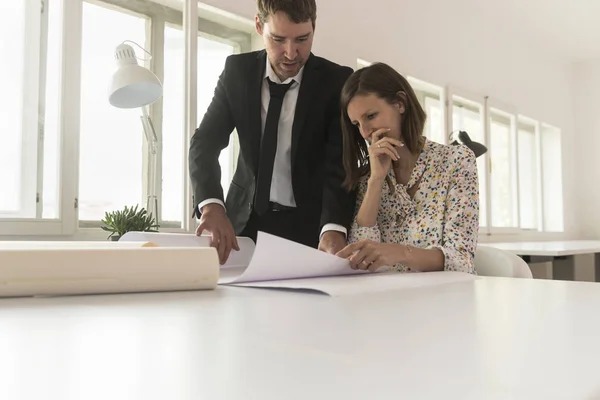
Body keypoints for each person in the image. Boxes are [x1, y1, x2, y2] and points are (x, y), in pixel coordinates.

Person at [189, 0, 356, 264]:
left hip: (312, 231)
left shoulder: (337, 82)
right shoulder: (237, 72)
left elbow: (341, 165)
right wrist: (211, 205)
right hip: (243, 225)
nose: (291, 53)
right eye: (278, 39)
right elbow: (204, 144)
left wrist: (333, 228)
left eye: (303, 39)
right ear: (259, 25)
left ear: (314, 27)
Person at [335, 63, 479, 274]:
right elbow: (361, 257)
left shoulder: (456, 161)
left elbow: (461, 260)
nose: (365, 132)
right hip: (388, 298)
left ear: (400, 104)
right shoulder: (368, 176)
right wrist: (376, 180)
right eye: (356, 124)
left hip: (445, 298)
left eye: (371, 116)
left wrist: (400, 253)